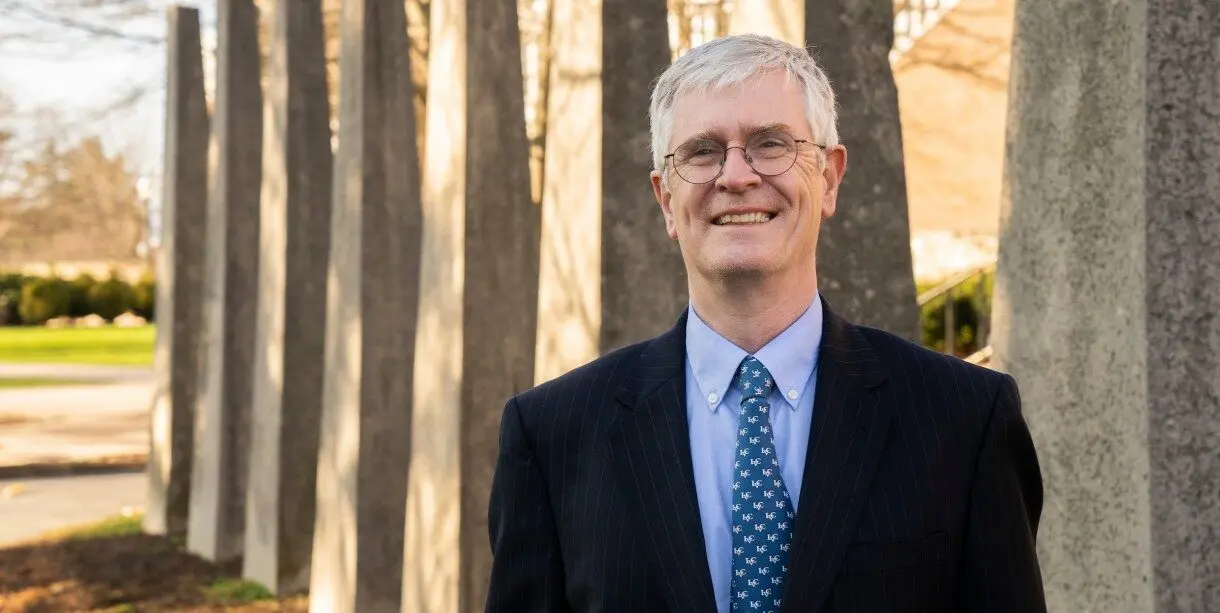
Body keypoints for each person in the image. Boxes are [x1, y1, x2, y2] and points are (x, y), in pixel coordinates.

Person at [485, 33, 1046, 613]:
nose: (737, 176)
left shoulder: (963, 420)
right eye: (702, 152)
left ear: (828, 179)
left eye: (770, 143)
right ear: (664, 199)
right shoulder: (553, 436)